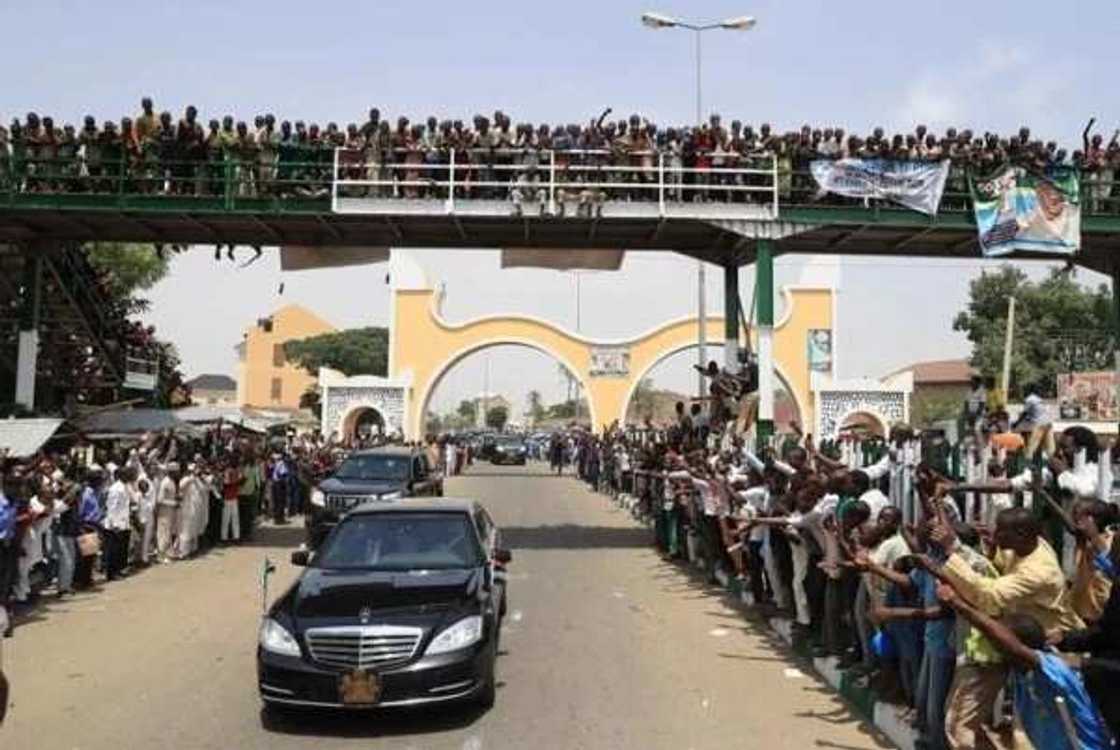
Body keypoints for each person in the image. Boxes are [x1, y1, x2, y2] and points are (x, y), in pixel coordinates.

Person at [937, 584, 1112, 750]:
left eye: (999, 643)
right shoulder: (1020, 671)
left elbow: (1009, 643)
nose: (994, 645)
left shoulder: (1053, 669)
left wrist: (956, 603)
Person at [102, 467, 132, 581]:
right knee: (113, 550)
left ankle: (118, 570)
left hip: (123, 522)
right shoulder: (116, 489)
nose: (129, 476)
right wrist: (114, 524)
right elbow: (111, 507)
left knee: (120, 549)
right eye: (126, 474)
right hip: (115, 524)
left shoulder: (124, 486)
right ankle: (111, 573)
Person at [155, 463, 180, 563]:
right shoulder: (165, 482)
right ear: (171, 472)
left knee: (168, 533)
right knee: (163, 533)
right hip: (164, 512)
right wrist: (173, 503)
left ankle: (168, 554)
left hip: (170, 512)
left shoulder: (172, 481)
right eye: (176, 471)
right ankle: (161, 556)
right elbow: (160, 500)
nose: (178, 473)